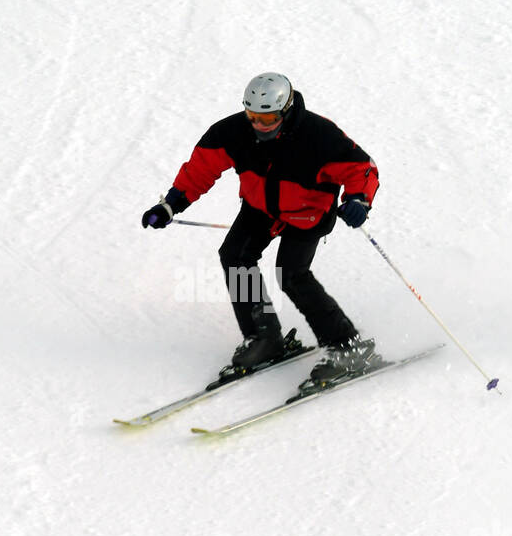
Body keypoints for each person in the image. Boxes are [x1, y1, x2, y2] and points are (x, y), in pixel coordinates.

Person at [141, 73, 380, 382]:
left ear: (286, 109)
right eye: (252, 116)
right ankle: (264, 338)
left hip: (308, 212)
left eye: (267, 118)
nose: (259, 125)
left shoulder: (318, 135)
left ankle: (348, 346)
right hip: (260, 207)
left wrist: (359, 201)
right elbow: (200, 169)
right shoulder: (231, 132)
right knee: (234, 256)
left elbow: (361, 169)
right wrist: (170, 204)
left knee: (291, 274)